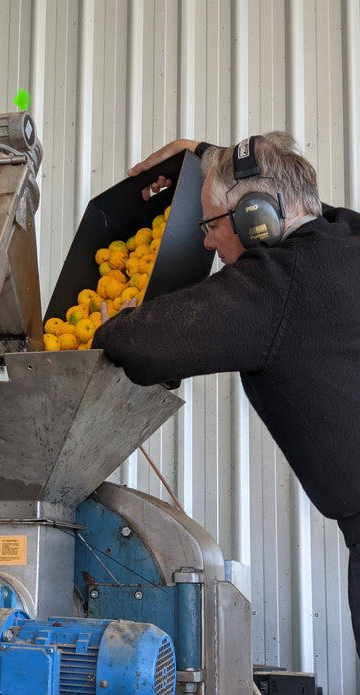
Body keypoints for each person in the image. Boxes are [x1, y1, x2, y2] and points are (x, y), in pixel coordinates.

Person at [91, 132, 360, 656]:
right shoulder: (346, 235)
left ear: (257, 220)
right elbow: (298, 203)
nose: (209, 245)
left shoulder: (278, 284)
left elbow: (146, 346)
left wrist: (111, 329)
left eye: (212, 226)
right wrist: (208, 159)